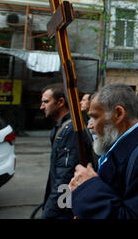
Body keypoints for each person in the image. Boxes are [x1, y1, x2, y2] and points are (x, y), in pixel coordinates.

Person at [69, 83, 138, 219]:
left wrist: (88, 187)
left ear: (118, 114)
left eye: (95, 117)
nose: (90, 125)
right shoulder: (120, 148)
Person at [40, 83, 94, 219]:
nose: (41, 106)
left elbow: (65, 175)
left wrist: (51, 211)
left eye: (46, 102)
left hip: (65, 207)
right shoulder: (63, 128)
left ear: (61, 102)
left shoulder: (71, 130)